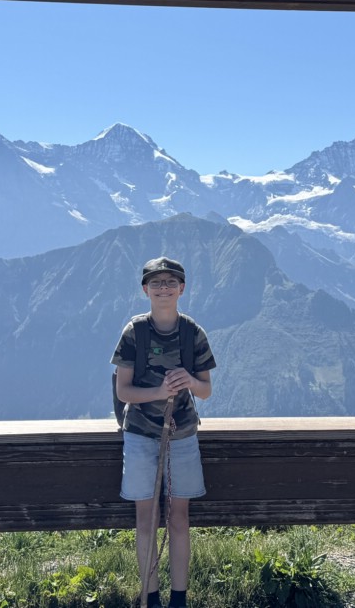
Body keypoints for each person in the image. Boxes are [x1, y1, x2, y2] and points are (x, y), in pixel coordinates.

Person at [112, 256, 216, 608]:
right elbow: (123, 391)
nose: (164, 288)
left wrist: (189, 381)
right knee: (147, 518)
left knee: (178, 518)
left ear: (182, 289)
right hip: (141, 434)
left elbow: (205, 390)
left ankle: (178, 599)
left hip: (181, 434)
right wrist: (159, 392)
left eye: (171, 282)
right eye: (156, 283)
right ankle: (152, 597)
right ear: (145, 290)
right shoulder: (134, 332)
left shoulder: (192, 333)